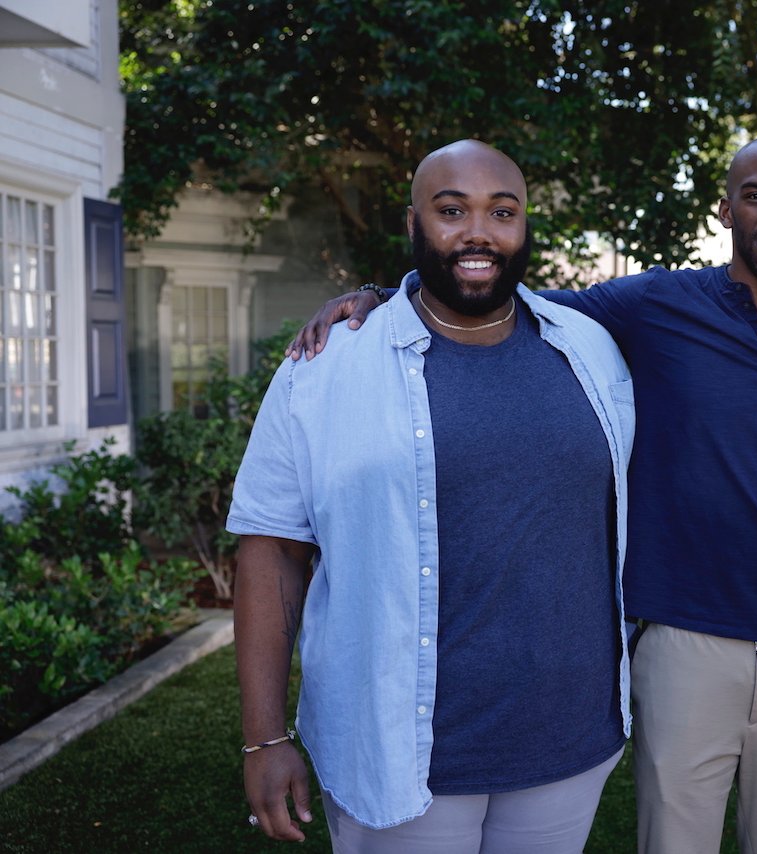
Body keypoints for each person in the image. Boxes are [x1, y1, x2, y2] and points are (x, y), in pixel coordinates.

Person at [289, 132, 757, 854]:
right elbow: (498, 293)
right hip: (683, 642)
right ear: (725, 209)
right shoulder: (650, 308)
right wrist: (387, 293)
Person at [229, 139, 635, 852]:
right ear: (413, 226)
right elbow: (269, 549)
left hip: (566, 744)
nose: (479, 232)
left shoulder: (591, 349)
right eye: (452, 211)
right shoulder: (327, 367)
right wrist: (263, 738)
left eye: (501, 212)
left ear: (526, 226)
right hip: (392, 748)